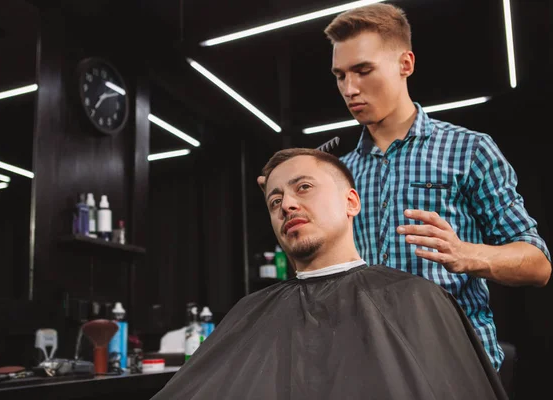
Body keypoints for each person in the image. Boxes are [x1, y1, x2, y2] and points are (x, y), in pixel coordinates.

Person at [259, 2, 551, 371]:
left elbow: (538, 264)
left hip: (452, 363)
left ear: (405, 65)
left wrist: (467, 255)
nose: (349, 89)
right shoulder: (338, 173)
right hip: (366, 366)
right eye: (340, 75)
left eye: (363, 71)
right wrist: (286, 199)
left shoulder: (468, 149)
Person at [151, 148, 507, 400]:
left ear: (351, 202)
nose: (287, 204)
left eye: (303, 187)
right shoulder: (251, 311)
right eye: (275, 201)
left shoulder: (415, 298)